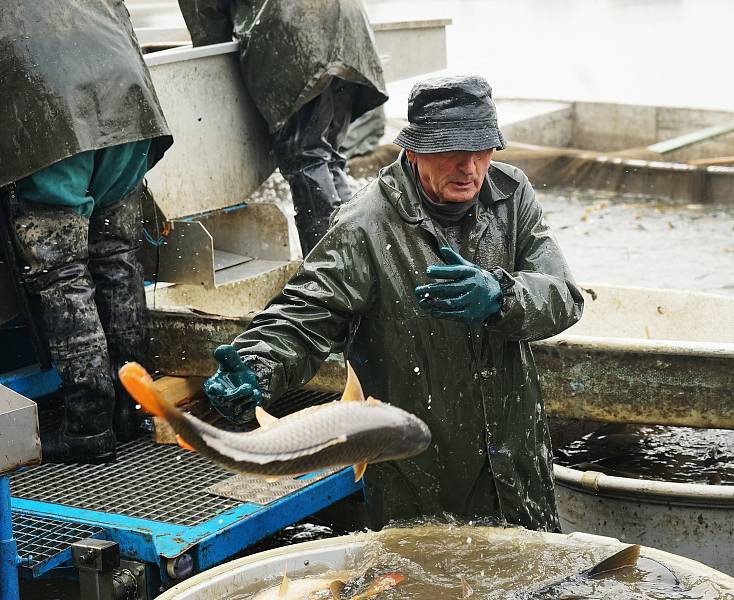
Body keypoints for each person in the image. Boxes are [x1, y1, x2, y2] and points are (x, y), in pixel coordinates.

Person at [202, 75, 584, 531]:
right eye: (450, 152)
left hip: (518, 468)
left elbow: (563, 294)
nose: (469, 168)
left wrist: (501, 297)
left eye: (480, 151)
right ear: (414, 150)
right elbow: (305, 314)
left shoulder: (510, 193)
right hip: (418, 473)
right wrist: (256, 366)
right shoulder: (365, 224)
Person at [0, 2, 173, 464]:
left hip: (53, 122)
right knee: (116, 256)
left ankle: (88, 426)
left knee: (62, 274)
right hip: (128, 113)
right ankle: (130, 410)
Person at [178, 0, 388, 255]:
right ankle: (363, 259)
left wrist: (214, 64)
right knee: (328, 158)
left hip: (295, 30)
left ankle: (332, 272)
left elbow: (206, 14)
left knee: (307, 159)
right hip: (348, 25)